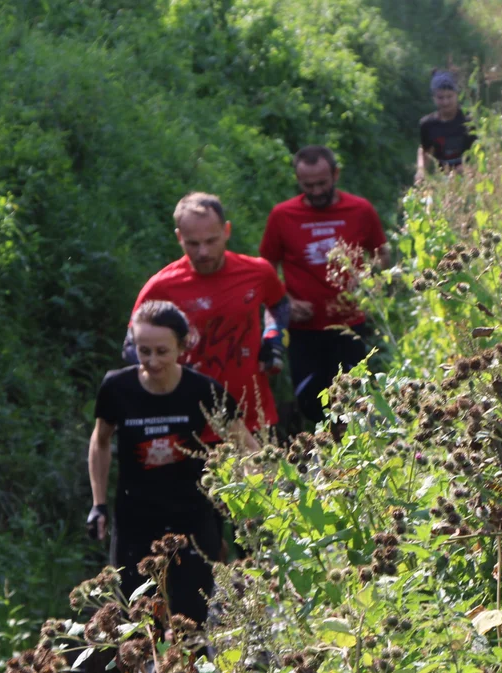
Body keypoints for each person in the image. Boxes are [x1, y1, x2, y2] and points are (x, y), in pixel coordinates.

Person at [88, 300, 257, 625]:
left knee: (190, 622)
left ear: (182, 346)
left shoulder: (203, 390)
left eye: (162, 351)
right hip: (136, 520)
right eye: (143, 350)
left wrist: (257, 499)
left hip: (192, 520)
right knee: (138, 624)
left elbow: (247, 446)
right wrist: (98, 503)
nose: (152, 361)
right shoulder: (116, 388)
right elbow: (101, 440)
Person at [124, 192, 289, 436]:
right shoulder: (162, 287)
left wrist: (274, 337)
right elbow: (131, 345)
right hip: (187, 425)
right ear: (179, 237)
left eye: (211, 241)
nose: (203, 252)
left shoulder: (257, 273)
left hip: (253, 419)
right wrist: (161, 379)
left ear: (227, 231)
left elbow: (279, 304)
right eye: (193, 243)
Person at [259, 145, 391, 426]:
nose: (316, 191)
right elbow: (266, 266)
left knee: (354, 399)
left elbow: (381, 253)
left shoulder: (360, 210)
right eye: (308, 185)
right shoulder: (282, 216)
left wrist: (370, 284)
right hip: (304, 330)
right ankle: (327, 450)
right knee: (310, 401)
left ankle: (349, 456)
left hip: (351, 325)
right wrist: (286, 302)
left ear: (336, 174)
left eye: (322, 183)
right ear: (298, 180)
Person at [415, 69, 477, 183]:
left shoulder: (469, 121)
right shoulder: (427, 124)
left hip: (470, 179)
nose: (445, 102)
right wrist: (421, 170)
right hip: (442, 180)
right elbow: (425, 150)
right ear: (434, 98)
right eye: (440, 98)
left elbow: (480, 155)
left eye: (449, 96)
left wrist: (465, 169)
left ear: (456, 95)